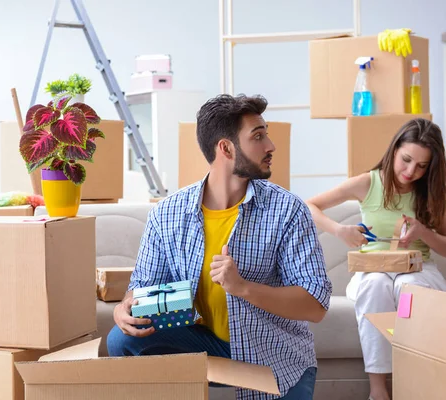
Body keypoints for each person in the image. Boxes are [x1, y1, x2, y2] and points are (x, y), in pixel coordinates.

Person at [107, 94, 332, 399]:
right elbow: (142, 287)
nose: (270, 146)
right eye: (258, 136)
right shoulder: (168, 213)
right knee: (122, 340)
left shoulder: (288, 210)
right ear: (226, 148)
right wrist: (125, 308)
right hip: (203, 345)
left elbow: (315, 306)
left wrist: (242, 287)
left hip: (274, 356)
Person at [305, 118, 446, 400]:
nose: (411, 171)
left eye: (422, 166)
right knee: (375, 285)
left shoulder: (432, 194)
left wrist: (423, 231)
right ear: (394, 150)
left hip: (417, 269)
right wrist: (340, 230)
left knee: (408, 288)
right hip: (372, 270)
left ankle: (414, 383)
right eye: (406, 160)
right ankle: (379, 390)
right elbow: (309, 205)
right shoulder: (368, 182)